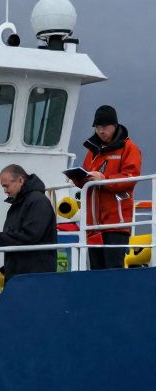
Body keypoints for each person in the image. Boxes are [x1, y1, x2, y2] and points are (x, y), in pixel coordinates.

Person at [71, 105, 143, 270]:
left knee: (114, 269)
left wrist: (104, 179)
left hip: (116, 222)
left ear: (115, 125)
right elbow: (87, 178)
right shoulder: (92, 150)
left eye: (105, 127)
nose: (101, 131)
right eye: (98, 127)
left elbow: (130, 178)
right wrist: (77, 178)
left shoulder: (129, 148)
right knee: (97, 270)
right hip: (93, 224)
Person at [0, 164, 57, 281]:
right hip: (23, 273)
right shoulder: (22, 203)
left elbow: (30, 235)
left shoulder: (37, 201)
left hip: (34, 275)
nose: (5, 191)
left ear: (20, 180)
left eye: (6, 186)